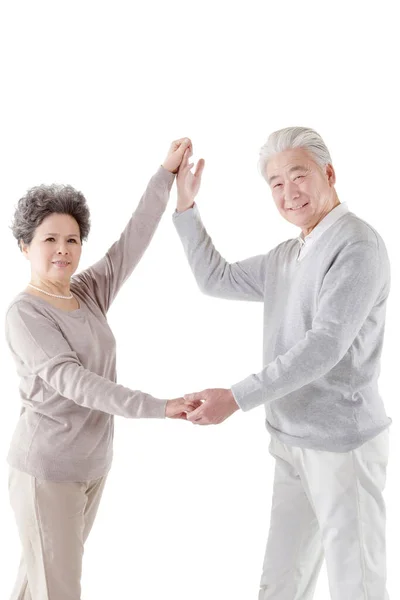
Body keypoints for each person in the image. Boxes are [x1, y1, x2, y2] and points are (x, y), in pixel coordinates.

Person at [173, 127, 391, 600]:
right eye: (275, 183)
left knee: (358, 584)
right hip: (289, 438)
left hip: (341, 445)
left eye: (299, 176)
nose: (288, 192)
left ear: (328, 174)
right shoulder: (288, 255)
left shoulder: (357, 246)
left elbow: (325, 345)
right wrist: (186, 209)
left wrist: (236, 397)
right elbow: (216, 278)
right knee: (282, 581)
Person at [5, 138, 199, 600]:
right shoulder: (25, 314)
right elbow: (78, 384)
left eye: (72, 239)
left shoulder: (88, 291)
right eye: (49, 239)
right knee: (59, 591)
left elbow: (133, 239)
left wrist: (165, 177)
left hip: (91, 467)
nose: (62, 250)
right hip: (47, 473)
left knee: (39, 584)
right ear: (24, 246)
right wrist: (161, 406)